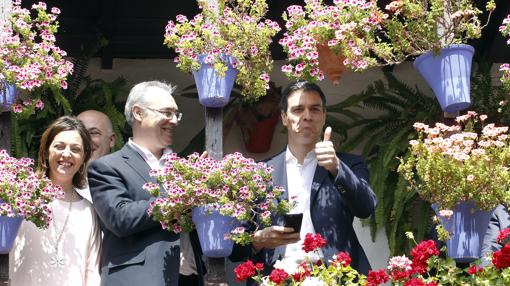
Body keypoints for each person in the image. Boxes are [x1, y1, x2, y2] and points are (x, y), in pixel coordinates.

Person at [239, 81, 377, 276]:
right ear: (284, 118)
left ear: (323, 116)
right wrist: (258, 240)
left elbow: (366, 208)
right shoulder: (259, 173)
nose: (307, 116)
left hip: (334, 277)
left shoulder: (349, 165)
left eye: (314, 109)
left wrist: (337, 168)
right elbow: (235, 247)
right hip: (277, 276)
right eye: (297, 110)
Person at [87, 81, 204, 286]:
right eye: (167, 112)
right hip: (139, 279)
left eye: (177, 114)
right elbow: (120, 218)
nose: (174, 121)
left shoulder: (185, 168)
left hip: (190, 278)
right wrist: (179, 197)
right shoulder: (107, 167)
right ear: (139, 113)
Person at [10, 116, 101, 286]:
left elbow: (93, 272)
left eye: (75, 149)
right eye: (59, 146)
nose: (66, 154)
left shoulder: (88, 210)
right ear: (45, 151)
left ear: (83, 158)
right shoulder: (21, 200)